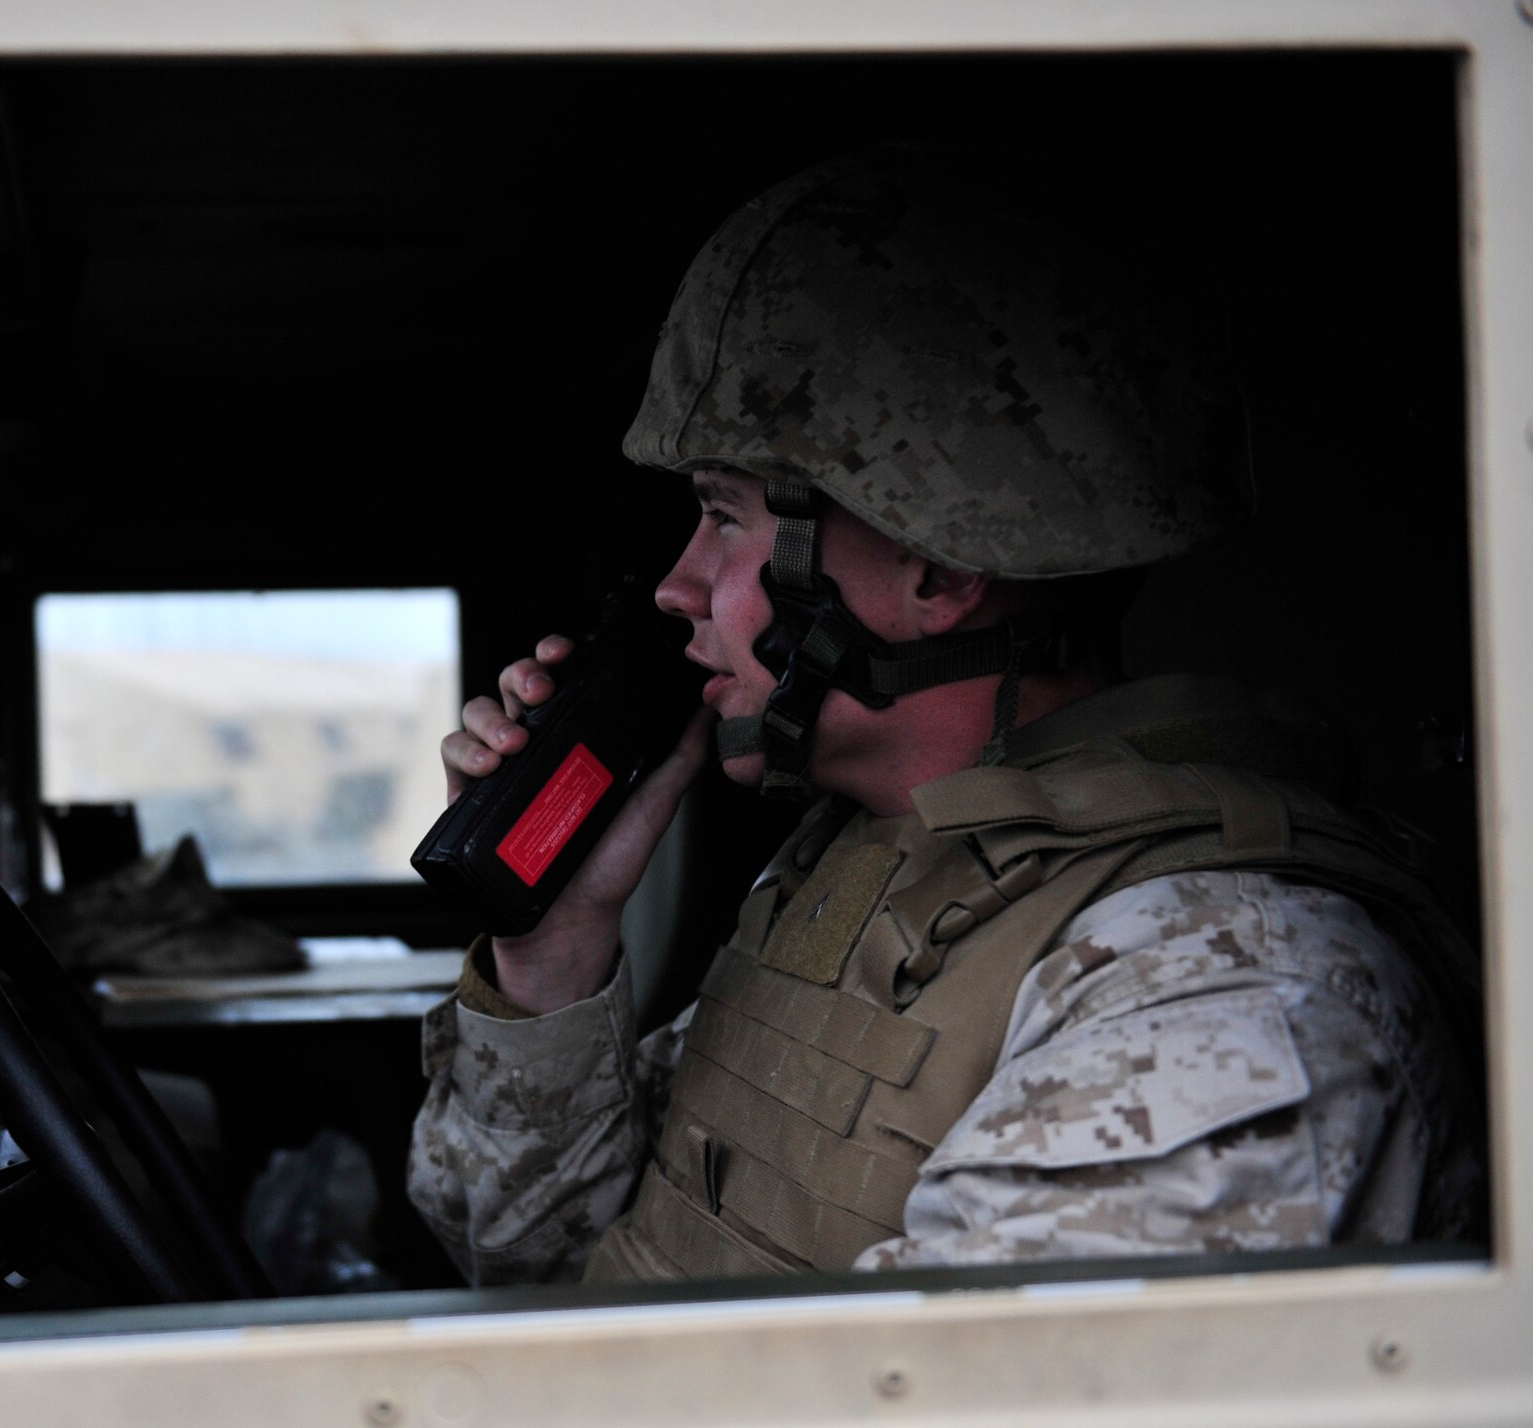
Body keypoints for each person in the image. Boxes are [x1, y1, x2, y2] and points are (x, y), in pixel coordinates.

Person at [407, 150, 1483, 1285]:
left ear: (934, 575)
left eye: (724, 518)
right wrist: (552, 953)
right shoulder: (869, 866)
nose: (674, 587)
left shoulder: (1224, 994)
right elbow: (526, 1258)